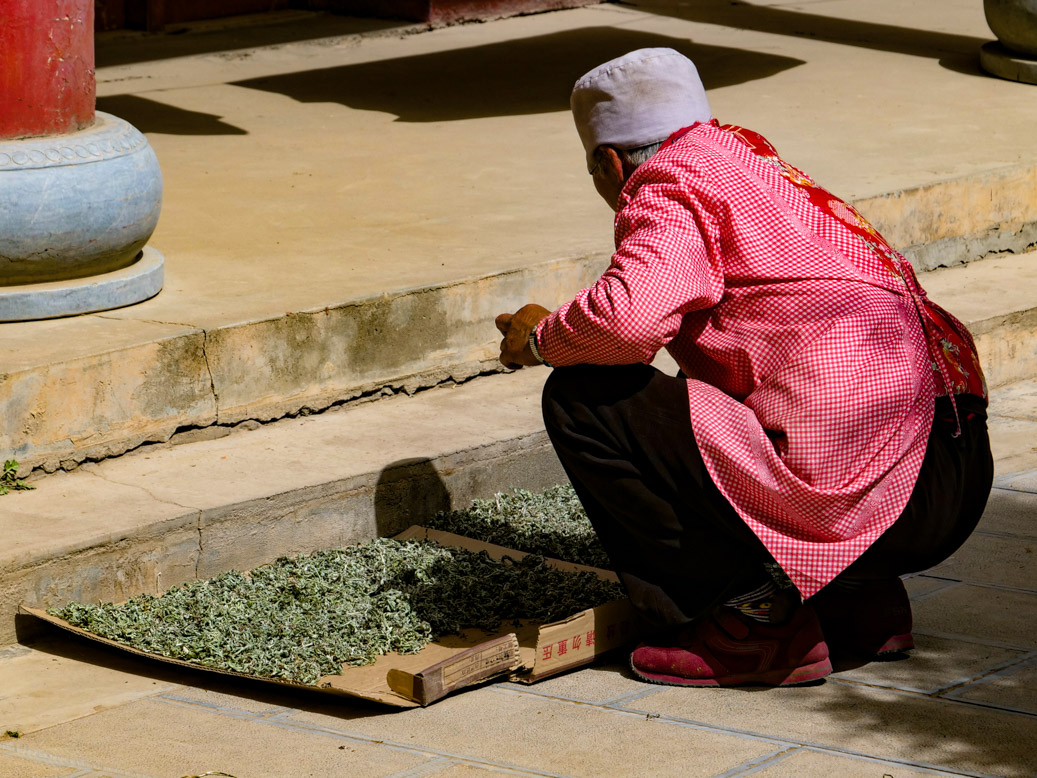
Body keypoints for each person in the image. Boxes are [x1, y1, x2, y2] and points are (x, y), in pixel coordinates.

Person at [494, 48, 993, 687]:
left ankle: (752, 622)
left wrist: (541, 338)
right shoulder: (754, 164)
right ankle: (859, 603)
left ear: (611, 163)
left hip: (887, 496)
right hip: (956, 469)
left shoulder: (668, 185)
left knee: (585, 398)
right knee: (719, 393)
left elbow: (628, 323)